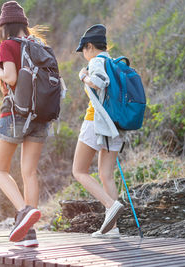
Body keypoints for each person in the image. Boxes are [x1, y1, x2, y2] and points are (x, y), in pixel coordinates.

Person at [0, 1, 48, 247]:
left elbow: (11, 77)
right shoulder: (39, 45)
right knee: (29, 172)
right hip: (41, 115)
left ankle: (23, 211)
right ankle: (30, 233)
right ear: (25, 25)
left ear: (3, 28)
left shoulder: (8, 45)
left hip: (14, 114)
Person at [72, 24, 124, 239]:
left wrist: (83, 77)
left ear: (90, 46)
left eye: (83, 50)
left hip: (96, 121)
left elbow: (99, 82)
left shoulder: (96, 61)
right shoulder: (115, 62)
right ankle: (113, 229)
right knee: (106, 175)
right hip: (115, 125)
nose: (83, 55)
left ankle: (110, 205)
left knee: (79, 171)